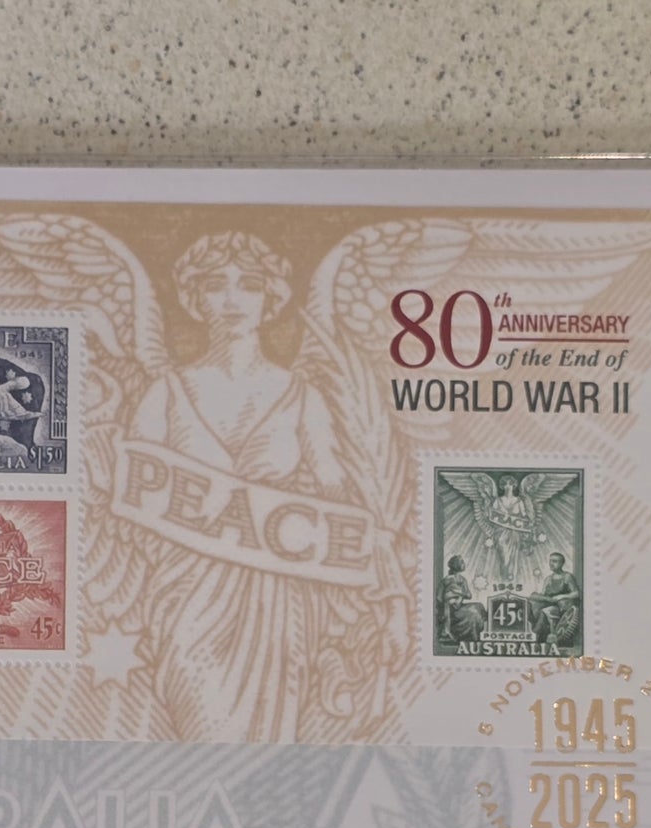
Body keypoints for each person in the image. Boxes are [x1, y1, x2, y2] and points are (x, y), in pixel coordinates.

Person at [121, 232, 411, 741]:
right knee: (199, 732)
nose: (232, 299)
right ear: (195, 299)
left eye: (249, 285)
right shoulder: (163, 393)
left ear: (270, 298)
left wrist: (393, 599)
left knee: (269, 745)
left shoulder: (301, 395)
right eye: (216, 285)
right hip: (188, 595)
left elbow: (342, 502)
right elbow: (128, 510)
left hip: (276, 600)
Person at [530, 552, 581, 646]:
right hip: (549, 603)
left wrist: (561, 596)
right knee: (533, 605)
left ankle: (535, 634)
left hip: (561, 607)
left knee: (545, 611)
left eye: (555, 561)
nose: (551, 563)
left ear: (561, 563)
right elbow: (544, 594)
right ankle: (532, 632)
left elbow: (576, 593)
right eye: (550, 561)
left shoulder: (567, 577)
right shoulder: (548, 579)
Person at [438, 554, 486, 644]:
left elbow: (469, 595)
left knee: (479, 606)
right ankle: (449, 633)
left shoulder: (462, 580)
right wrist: (449, 597)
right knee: (473, 613)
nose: (464, 564)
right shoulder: (445, 580)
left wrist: (459, 593)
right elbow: (439, 598)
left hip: (459, 605)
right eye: (462, 562)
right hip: (450, 608)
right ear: (456, 565)